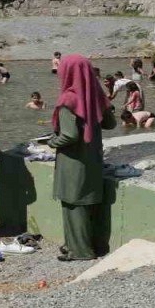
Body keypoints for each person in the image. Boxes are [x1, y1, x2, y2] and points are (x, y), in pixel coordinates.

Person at [47, 55, 118, 262]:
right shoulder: (95, 95)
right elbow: (110, 125)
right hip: (93, 159)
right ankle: (78, 244)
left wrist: (52, 142)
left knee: (73, 205)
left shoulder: (68, 100)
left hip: (74, 161)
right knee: (87, 205)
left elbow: (69, 135)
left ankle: (80, 251)